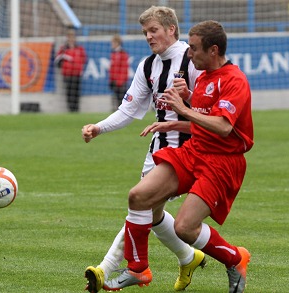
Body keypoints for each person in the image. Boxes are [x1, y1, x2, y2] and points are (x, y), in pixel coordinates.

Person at [105, 20, 254, 293]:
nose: (188, 54)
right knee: (139, 196)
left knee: (185, 228)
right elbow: (204, 121)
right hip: (194, 151)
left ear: (213, 50)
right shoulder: (205, 76)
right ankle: (138, 269)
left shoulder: (234, 80)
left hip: (222, 162)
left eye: (194, 49)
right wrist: (173, 123)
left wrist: (182, 110)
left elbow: (223, 127)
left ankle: (235, 259)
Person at [82, 6, 205, 293]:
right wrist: (99, 127)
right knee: (149, 212)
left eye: (154, 30)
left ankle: (106, 268)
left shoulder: (193, 60)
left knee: (141, 203)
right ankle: (189, 257)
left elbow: (210, 106)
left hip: (188, 149)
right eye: (145, 32)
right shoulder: (148, 66)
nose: (149, 36)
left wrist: (189, 100)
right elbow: (128, 109)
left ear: (171, 29)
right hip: (158, 149)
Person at [55, 28, 87, 112]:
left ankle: (76, 109)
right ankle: (70, 109)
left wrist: (80, 68)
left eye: (73, 37)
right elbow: (57, 60)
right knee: (69, 92)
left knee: (76, 92)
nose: (71, 39)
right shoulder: (63, 49)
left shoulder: (79, 48)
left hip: (77, 73)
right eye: (70, 37)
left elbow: (84, 59)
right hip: (67, 74)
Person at [109, 34, 130, 110]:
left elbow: (124, 69)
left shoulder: (123, 54)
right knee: (117, 100)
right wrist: (111, 80)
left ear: (117, 43)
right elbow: (112, 69)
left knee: (122, 101)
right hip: (115, 81)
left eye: (113, 43)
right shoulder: (113, 53)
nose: (112, 44)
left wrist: (120, 82)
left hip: (121, 82)